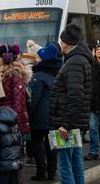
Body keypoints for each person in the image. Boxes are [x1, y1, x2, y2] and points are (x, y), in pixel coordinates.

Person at [49, 24, 93, 184]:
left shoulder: (74, 62)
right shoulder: (79, 59)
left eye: (62, 41)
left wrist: (65, 124)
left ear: (67, 42)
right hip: (73, 122)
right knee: (75, 164)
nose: (60, 44)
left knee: (64, 166)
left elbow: (75, 96)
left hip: (66, 125)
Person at [29, 43, 61, 181]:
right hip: (54, 115)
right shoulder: (57, 73)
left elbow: (33, 99)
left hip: (39, 117)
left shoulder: (38, 76)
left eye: (39, 57)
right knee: (52, 144)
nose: (37, 59)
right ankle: (52, 172)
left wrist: (28, 114)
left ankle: (41, 172)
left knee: (37, 142)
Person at [0, 43, 31, 136]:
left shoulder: (15, 74)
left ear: (6, 57)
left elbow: (19, 102)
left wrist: (15, 123)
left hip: (11, 121)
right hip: (1, 118)